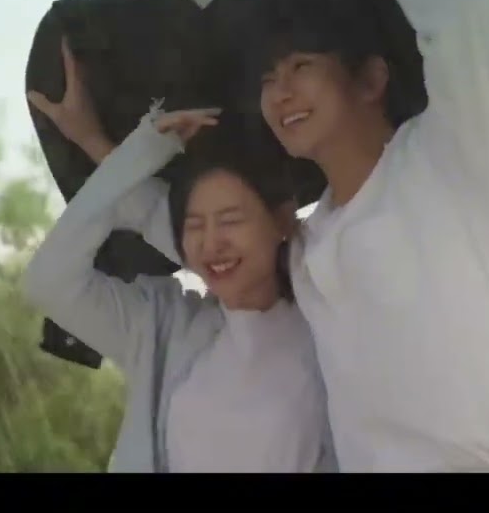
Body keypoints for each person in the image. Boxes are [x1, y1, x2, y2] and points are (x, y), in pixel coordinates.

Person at [244, 0, 489, 472]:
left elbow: (467, 0)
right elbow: (198, 233)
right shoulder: (305, 247)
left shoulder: (450, 154)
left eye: (301, 66)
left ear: (371, 80)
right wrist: (110, 145)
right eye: (267, 79)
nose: (281, 93)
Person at [22, 40, 334, 473]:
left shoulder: (331, 322)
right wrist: (133, 152)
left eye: (230, 219)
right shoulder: (162, 329)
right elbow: (48, 280)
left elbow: (166, 220)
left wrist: (104, 147)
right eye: (194, 225)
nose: (211, 242)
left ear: (281, 219)